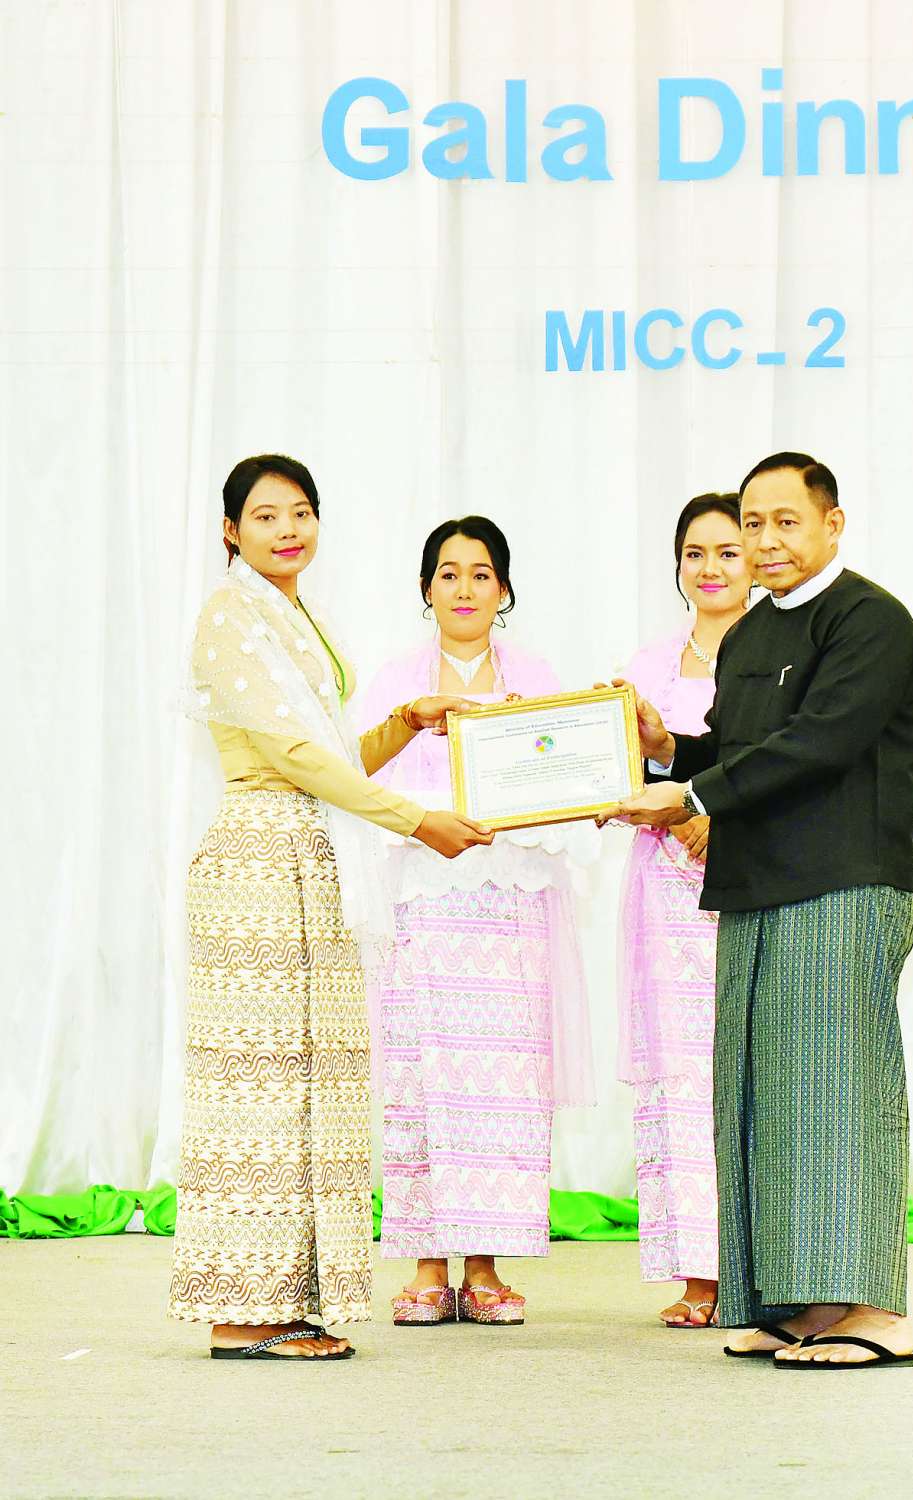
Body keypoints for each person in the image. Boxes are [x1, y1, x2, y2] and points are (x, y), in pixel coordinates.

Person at [601, 452, 913, 1369]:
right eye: (753, 523)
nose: (766, 541)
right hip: (753, 889)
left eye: (786, 521)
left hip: (841, 886)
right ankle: (800, 1304)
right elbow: (734, 748)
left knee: (838, 1095)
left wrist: (690, 797)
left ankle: (873, 1311)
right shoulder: (752, 633)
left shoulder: (870, 621)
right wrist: (669, 751)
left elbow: (819, 744)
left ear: (831, 523)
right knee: (763, 1103)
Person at [168, 454, 492, 1361]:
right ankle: (240, 1314)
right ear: (230, 531)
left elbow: (334, 757)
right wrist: (417, 821)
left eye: (301, 512)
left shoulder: (293, 614)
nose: (287, 529)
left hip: (307, 860)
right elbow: (296, 761)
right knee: (262, 1088)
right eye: (265, 515)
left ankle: (287, 1301)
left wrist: (405, 724)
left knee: (313, 1088)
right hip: (259, 865)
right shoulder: (230, 613)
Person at [356, 516, 595, 1327]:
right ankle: (427, 1267)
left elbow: (572, 781)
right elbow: (354, 780)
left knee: (502, 1084)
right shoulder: (395, 683)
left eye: (481, 573)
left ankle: (485, 1268)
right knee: (422, 1080)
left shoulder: (537, 679)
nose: (464, 588)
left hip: (508, 908)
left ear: (504, 590)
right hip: (424, 907)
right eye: (449, 573)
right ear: (426, 589)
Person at [617, 494, 750, 1327]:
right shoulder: (646, 666)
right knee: (681, 1075)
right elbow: (621, 766)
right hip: (666, 894)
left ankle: (758, 1267)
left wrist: (718, 819)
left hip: (751, 885)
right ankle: (698, 1275)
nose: (710, 568)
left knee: (750, 1072)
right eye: (694, 553)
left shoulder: (781, 654)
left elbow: (787, 764)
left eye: (727, 552)